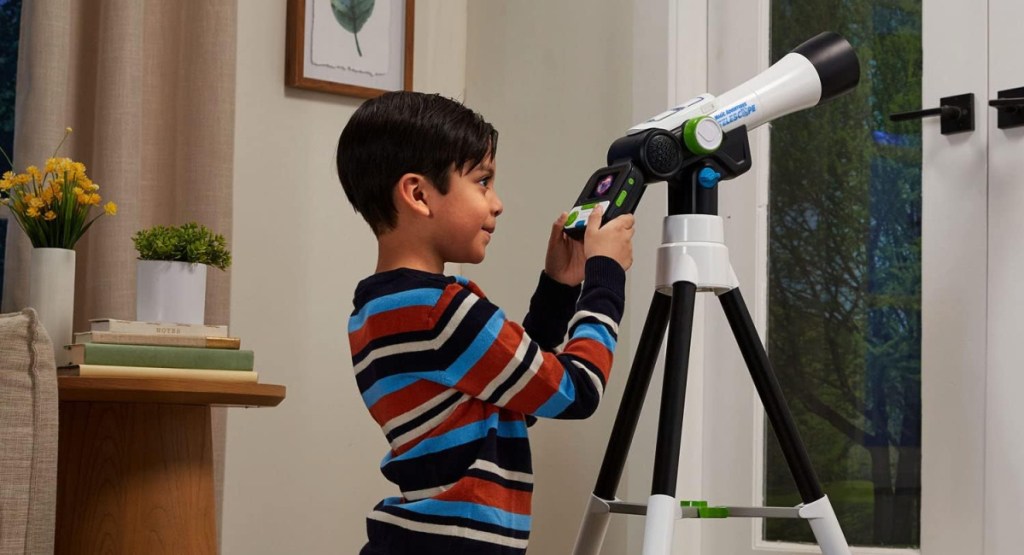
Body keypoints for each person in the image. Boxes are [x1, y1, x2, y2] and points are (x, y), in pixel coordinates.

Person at [337, 91, 634, 555]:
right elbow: (576, 391)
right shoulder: (441, 308)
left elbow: (512, 399)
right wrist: (605, 276)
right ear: (418, 194)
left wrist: (558, 286)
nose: (497, 203)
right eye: (483, 181)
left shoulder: (378, 309)